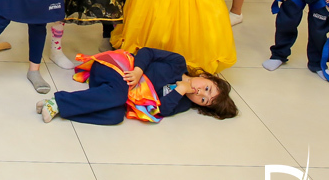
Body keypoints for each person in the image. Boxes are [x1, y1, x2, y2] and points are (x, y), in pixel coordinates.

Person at [37, 48, 237, 124]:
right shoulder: (178, 62)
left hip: (113, 90)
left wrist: (181, 90)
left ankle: (58, 107)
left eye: (203, 100)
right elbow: (147, 52)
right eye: (207, 88)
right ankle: (59, 101)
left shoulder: (182, 102)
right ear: (205, 76)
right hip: (117, 66)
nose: (200, 92)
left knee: (114, 117)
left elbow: (162, 110)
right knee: (118, 97)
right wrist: (139, 71)